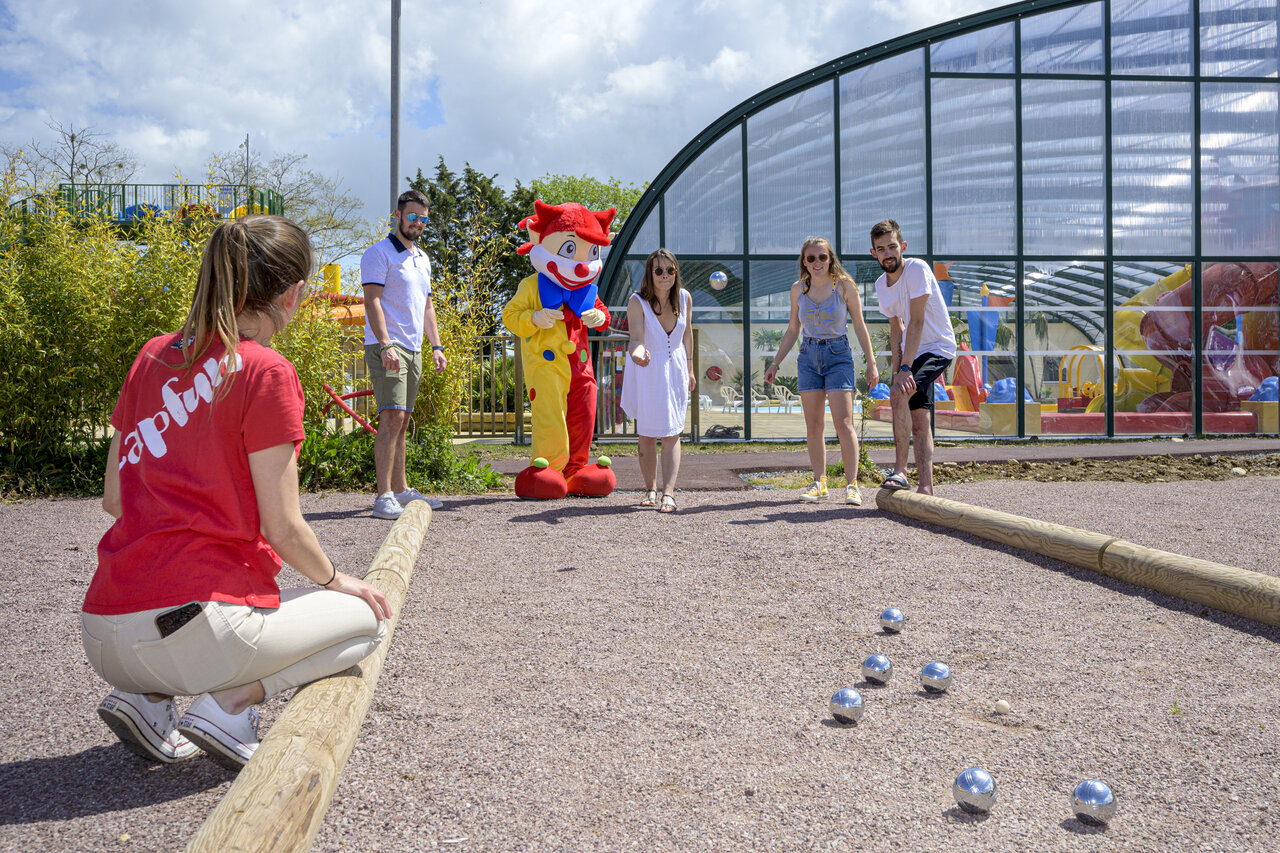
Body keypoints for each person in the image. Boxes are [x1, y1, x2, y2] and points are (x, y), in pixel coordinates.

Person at [82, 215, 393, 771]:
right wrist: (337, 581)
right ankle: (229, 704)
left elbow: (114, 499)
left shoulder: (153, 354)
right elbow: (283, 527)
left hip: (104, 631)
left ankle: (148, 699)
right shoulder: (265, 371)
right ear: (293, 293)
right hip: (197, 633)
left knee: (227, 623)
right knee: (367, 623)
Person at [765, 237, 878, 504]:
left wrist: (871, 362)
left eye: (823, 257)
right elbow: (793, 329)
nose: (817, 263)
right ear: (804, 261)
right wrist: (775, 362)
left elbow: (860, 326)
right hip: (808, 356)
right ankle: (820, 482)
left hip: (838, 354)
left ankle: (852, 484)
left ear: (831, 259)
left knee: (844, 423)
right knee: (813, 424)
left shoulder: (845, 286)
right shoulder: (797, 290)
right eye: (811, 258)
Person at [361, 189, 448, 519]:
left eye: (424, 219)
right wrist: (385, 344)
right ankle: (383, 496)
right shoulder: (379, 253)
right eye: (413, 217)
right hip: (389, 346)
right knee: (391, 417)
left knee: (403, 419)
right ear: (397, 215)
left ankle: (400, 489)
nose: (419, 224)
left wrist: (436, 346)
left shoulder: (422, 259)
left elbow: (427, 306)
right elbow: (372, 301)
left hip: (414, 348)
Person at [870, 219, 957, 495]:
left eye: (892, 246)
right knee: (919, 419)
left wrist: (906, 370)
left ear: (902, 246)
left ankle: (900, 471)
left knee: (898, 395)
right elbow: (897, 328)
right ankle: (926, 488)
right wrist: (898, 370)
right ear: (874, 253)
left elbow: (917, 322)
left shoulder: (917, 269)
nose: (888, 253)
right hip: (913, 352)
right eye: (881, 249)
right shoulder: (881, 286)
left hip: (937, 348)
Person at [620, 249, 697, 513]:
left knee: (672, 432)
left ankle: (669, 492)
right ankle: (650, 489)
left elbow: (687, 336)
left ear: (676, 272)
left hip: (675, 370)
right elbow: (636, 340)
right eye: (659, 271)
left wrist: (690, 369)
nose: (665, 276)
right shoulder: (637, 301)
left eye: (670, 270)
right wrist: (638, 355)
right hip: (647, 369)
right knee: (647, 434)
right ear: (650, 275)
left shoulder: (685, 298)